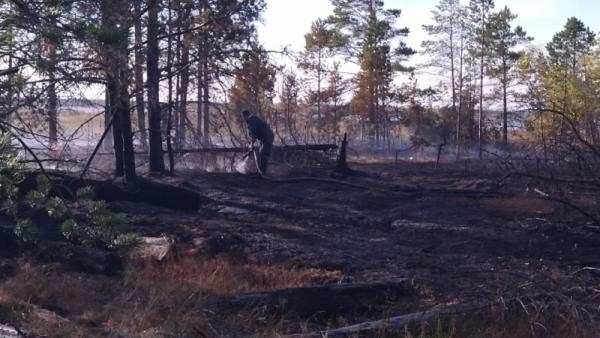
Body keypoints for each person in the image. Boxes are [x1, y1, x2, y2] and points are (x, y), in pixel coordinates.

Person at [242, 109, 274, 175]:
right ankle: (259, 171)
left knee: (263, 153)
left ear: (246, 116)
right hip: (264, 138)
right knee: (260, 153)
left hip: (267, 138)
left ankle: (262, 173)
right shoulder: (253, 119)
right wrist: (252, 144)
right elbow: (254, 134)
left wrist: (252, 144)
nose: (244, 119)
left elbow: (253, 134)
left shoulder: (252, 120)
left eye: (244, 117)